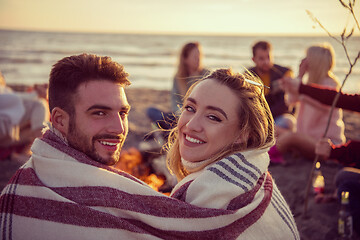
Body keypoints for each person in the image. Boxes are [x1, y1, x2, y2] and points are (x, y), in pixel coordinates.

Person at [1, 54, 298, 239]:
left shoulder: (234, 196)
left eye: (123, 112)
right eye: (190, 108)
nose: (119, 129)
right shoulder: (26, 197)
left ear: (241, 135)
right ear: (60, 120)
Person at [166, 68, 300, 239]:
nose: (191, 125)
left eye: (213, 117)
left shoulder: (207, 196)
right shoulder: (256, 175)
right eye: (190, 108)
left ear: (242, 134)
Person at [281, 76, 360, 234]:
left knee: (344, 179)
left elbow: (336, 100)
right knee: (343, 180)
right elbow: (338, 99)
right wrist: (301, 85)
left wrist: (335, 151)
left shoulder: (329, 80)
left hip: (320, 141)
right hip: (315, 140)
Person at [272, 43, 346, 162]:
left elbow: (322, 106)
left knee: (292, 137)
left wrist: (300, 91)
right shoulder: (309, 84)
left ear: (315, 62)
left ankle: (270, 156)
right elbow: (291, 101)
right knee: (272, 128)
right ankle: (283, 150)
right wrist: (300, 76)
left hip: (325, 144)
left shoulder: (330, 85)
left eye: (307, 58)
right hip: (306, 137)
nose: (303, 61)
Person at [147, 42, 209, 131]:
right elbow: (174, 102)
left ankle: (170, 132)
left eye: (200, 56)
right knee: (151, 111)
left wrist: (195, 80)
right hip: (180, 116)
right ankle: (172, 131)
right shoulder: (179, 77)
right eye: (195, 56)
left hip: (199, 118)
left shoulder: (207, 75)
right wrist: (182, 115)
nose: (199, 59)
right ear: (185, 59)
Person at [0, 71, 50, 160]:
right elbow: (17, 98)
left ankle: (29, 153)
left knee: (38, 120)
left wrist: (35, 93)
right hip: (5, 130)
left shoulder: (6, 91)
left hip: (8, 135)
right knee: (40, 105)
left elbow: (16, 99)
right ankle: (40, 150)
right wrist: (36, 94)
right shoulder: (4, 93)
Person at [248, 40, 295, 131]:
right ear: (253, 60)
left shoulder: (284, 73)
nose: (266, 61)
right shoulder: (248, 76)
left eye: (269, 57)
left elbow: (285, 105)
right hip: (257, 120)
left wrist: (266, 116)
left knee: (289, 121)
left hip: (277, 118)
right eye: (261, 58)